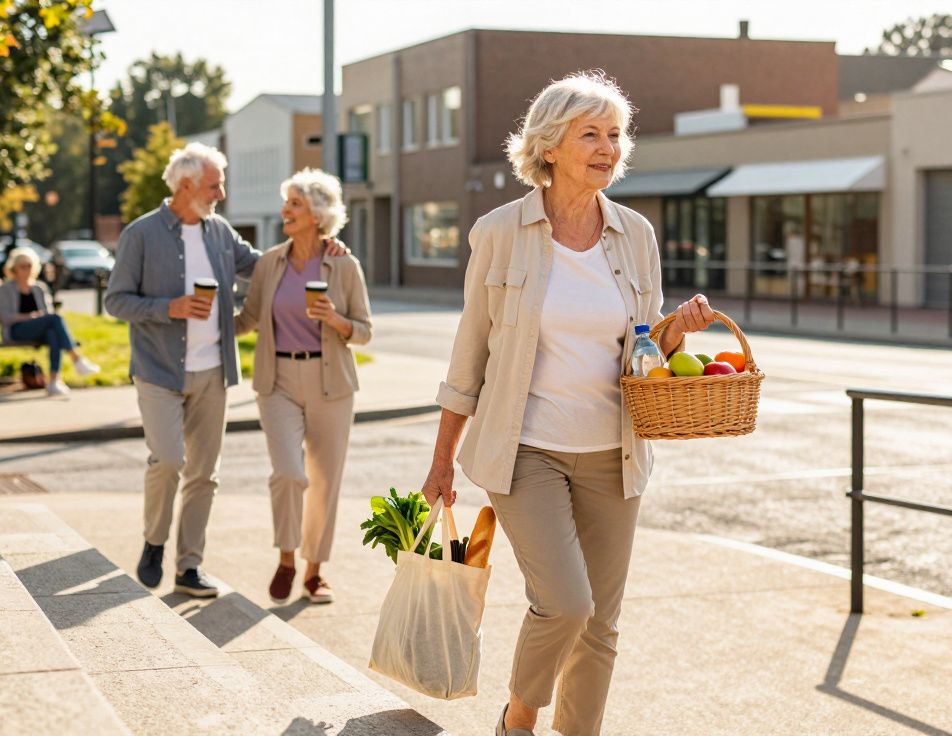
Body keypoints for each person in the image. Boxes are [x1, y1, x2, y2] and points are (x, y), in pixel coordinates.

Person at [420, 72, 718, 736]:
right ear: (549, 146)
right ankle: (519, 716)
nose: (608, 147)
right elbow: (469, 355)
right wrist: (442, 461)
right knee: (565, 605)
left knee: (601, 624)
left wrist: (677, 330)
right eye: (591, 134)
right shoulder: (500, 233)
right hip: (528, 450)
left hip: (615, 452)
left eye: (615, 134)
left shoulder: (634, 235)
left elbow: (645, 351)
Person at [106, 142, 344, 599]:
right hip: (159, 370)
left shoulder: (220, 233)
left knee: (203, 474)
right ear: (187, 184)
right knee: (169, 460)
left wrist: (319, 246)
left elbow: (266, 266)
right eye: (215, 184)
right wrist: (168, 307)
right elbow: (115, 301)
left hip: (214, 372)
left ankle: (189, 566)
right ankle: (155, 540)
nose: (221, 193)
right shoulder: (141, 234)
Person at [235, 168, 372, 606]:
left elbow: (365, 331)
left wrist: (336, 319)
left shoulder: (344, 264)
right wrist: (203, 321)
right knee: (289, 474)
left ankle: (315, 572)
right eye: (286, 203)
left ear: (317, 214)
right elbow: (248, 318)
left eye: (294, 204)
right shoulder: (270, 262)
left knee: (325, 481)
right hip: (277, 381)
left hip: (331, 383)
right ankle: (287, 557)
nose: (285, 211)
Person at [0, 247, 100, 396]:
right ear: (14, 269)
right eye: (22, 266)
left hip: (39, 328)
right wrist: (28, 317)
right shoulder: (5, 289)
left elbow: (47, 313)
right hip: (16, 329)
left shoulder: (39, 288)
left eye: (29, 265)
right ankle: (76, 359)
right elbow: (4, 317)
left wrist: (39, 318)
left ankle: (53, 381)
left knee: (53, 333)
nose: (26, 269)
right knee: (56, 319)